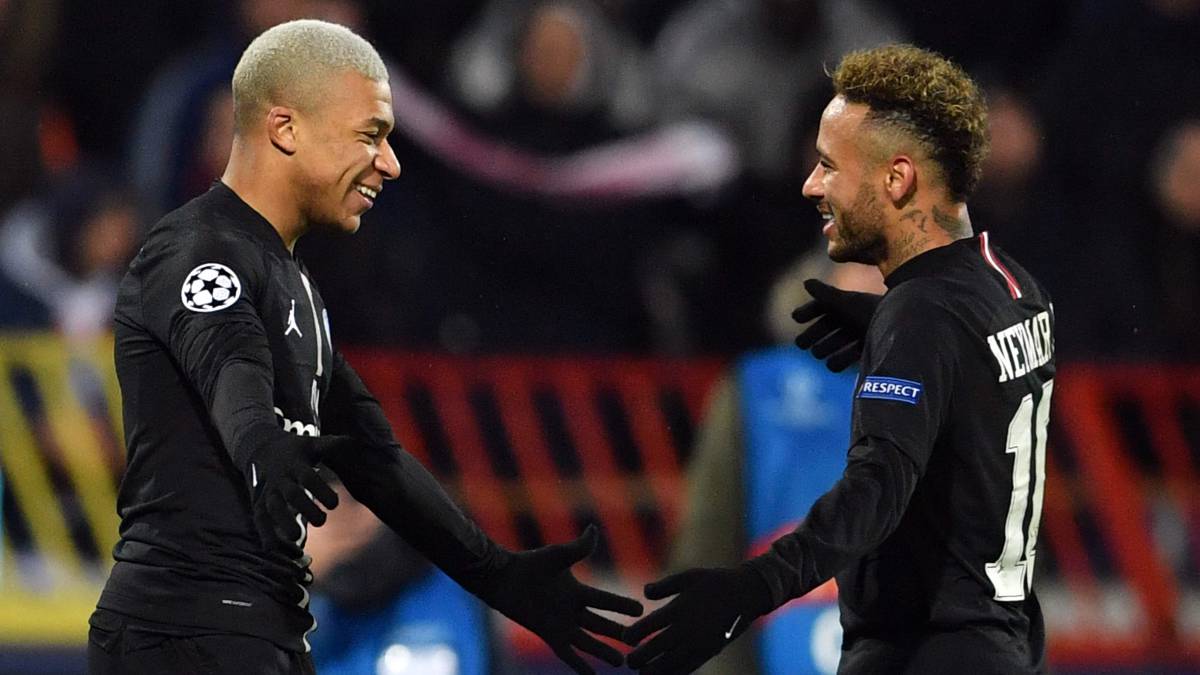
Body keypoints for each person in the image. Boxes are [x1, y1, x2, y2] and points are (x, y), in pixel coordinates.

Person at [88, 19, 641, 675]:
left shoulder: (301, 275)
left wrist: (490, 568)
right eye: (366, 136)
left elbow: (375, 453)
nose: (388, 162)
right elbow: (229, 404)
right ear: (285, 131)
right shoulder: (198, 262)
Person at [623, 44, 1055, 674]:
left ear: (897, 179)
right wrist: (891, 336)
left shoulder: (922, 317)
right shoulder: (1013, 289)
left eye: (830, 165)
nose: (811, 185)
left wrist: (755, 587)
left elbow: (875, 491)